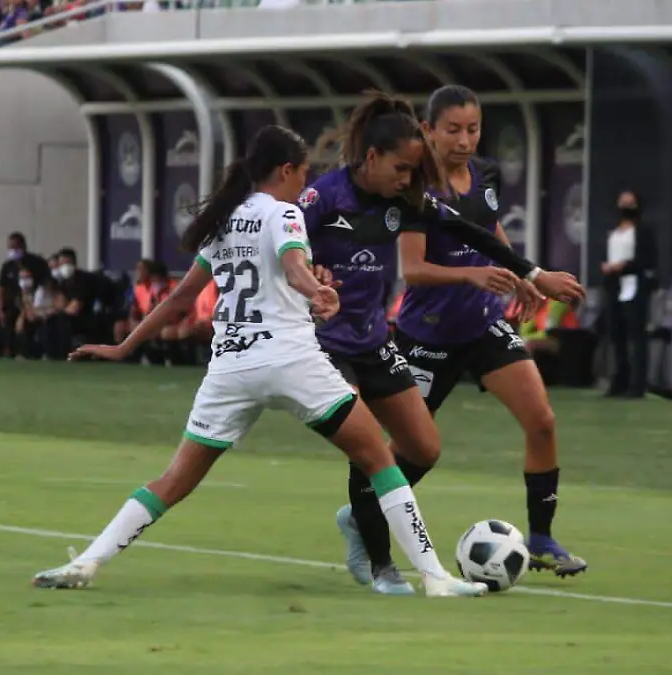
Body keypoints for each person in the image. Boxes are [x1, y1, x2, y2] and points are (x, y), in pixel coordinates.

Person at [30, 125, 488, 598]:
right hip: (290, 360)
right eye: (303, 174)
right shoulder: (284, 213)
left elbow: (181, 299)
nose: (305, 185)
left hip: (230, 369)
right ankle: (434, 577)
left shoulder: (225, 220)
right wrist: (319, 291)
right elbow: (293, 267)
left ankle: (88, 561)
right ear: (286, 170)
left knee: (172, 481)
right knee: (379, 459)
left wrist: (124, 346)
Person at [298, 90, 584, 595]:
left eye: (473, 129)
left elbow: (485, 233)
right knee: (390, 450)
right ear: (427, 131)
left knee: (534, 421)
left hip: (473, 326)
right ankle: (372, 538)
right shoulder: (376, 191)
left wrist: (527, 276)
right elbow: (410, 268)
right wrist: (306, 271)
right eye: (453, 129)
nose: (464, 140)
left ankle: (540, 535)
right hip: (421, 333)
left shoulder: (456, 182)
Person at [601, 189, 658, 398]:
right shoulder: (614, 232)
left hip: (635, 287)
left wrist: (623, 266)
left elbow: (647, 261)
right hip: (615, 287)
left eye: (630, 203)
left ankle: (638, 383)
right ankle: (620, 380)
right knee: (617, 337)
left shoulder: (643, 231)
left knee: (637, 336)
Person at [0, 232, 49, 358]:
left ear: (23, 246)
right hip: (10, 303)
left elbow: (42, 288)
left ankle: (11, 351)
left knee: (11, 318)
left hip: (29, 305)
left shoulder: (36, 263)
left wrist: (25, 310)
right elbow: (1, 288)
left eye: (15, 247)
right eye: (10, 248)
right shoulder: (8, 266)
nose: (12, 251)